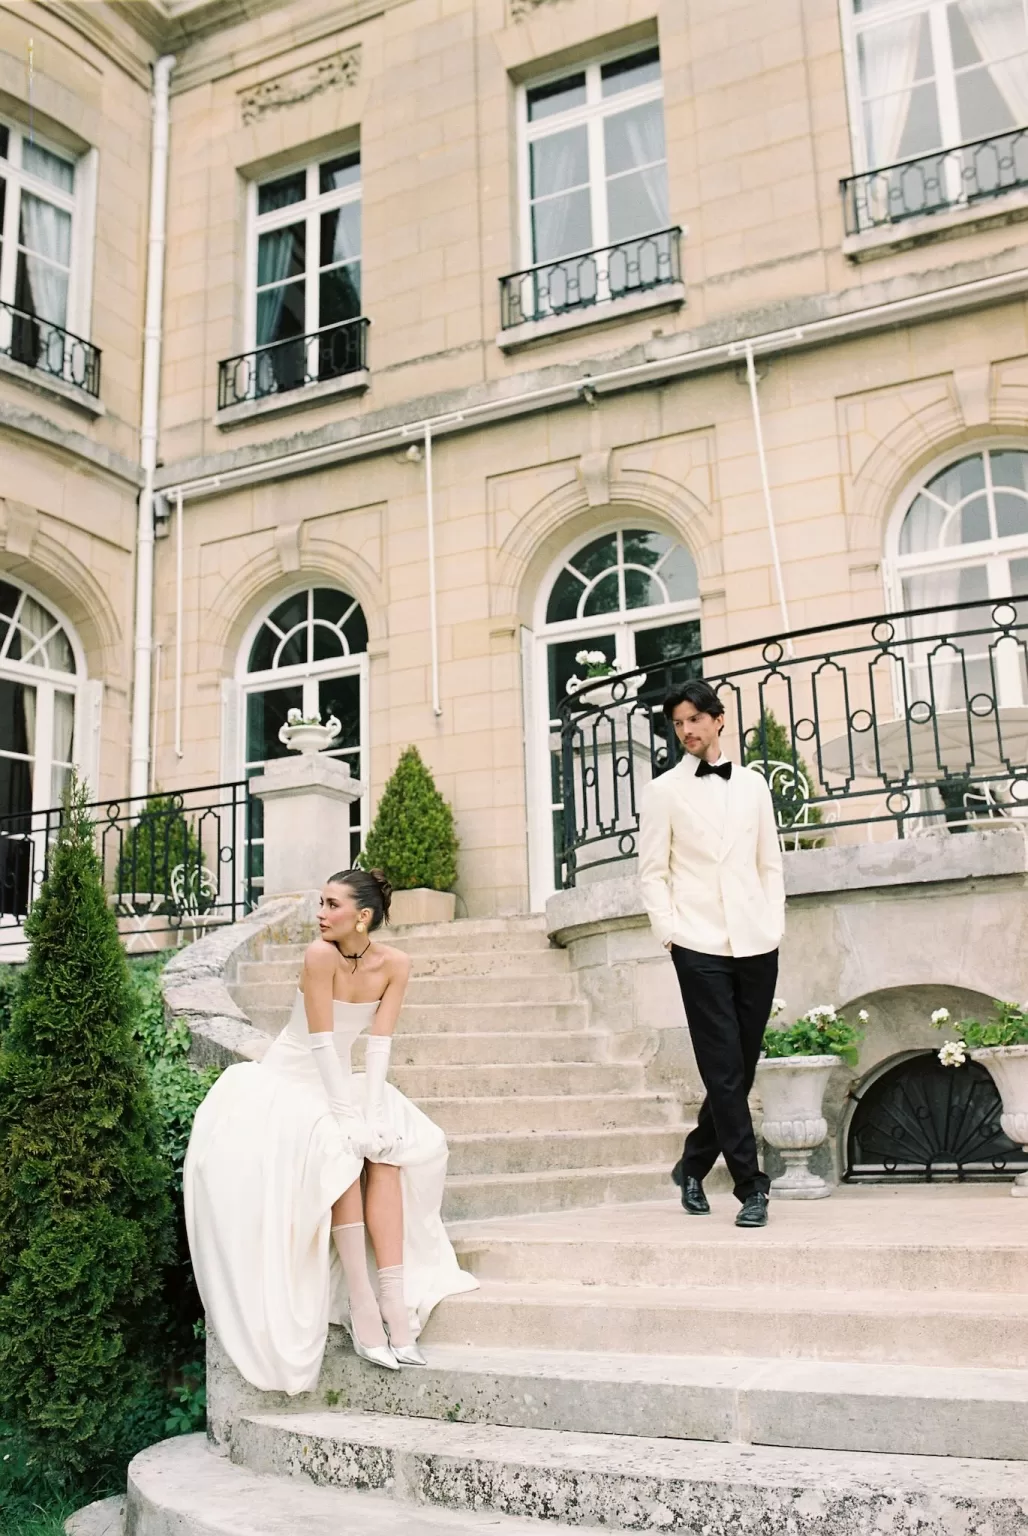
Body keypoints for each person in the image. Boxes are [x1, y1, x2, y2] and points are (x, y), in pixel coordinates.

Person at [183, 866, 477, 1392]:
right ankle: (363, 1305)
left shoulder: (397, 965)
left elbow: (379, 1045)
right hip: (293, 1078)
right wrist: (346, 1119)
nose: (320, 915)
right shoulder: (319, 956)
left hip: (344, 1077)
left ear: (363, 917)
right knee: (338, 1148)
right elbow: (320, 1042)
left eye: (331, 905)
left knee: (393, 1147)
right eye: (320, 903)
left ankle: (393, 1296)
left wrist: (375, 1113)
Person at [638, 680, 785, 1229]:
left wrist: (774, 923)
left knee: (740, 1069)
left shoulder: (752, 786)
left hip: (755, 939)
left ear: (719, 720)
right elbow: (652, 872)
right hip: (696, 942)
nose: (687, 731)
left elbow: (769, 862)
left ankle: (694, 1164)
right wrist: (669, 933)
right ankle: (751, 1186)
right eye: (678, 723)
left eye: (696, 719)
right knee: (723, 1069)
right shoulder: (663, 791)